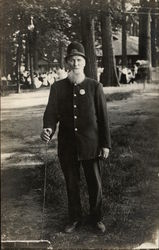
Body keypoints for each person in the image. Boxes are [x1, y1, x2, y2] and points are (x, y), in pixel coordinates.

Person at [41, 41, 111, 234]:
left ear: (84, 63)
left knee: (94, 184)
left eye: (79, 60)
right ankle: (74, 218)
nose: (75, 63)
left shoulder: (95, 87)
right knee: (72, 183)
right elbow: (51, 114)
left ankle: (96, 218)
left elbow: (103, 118)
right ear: (67, 64)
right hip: (67, 145)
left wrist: (106, 144)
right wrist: (48, 128)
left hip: (91, 144)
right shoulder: (57, 88)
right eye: (71, 60)